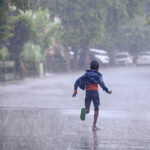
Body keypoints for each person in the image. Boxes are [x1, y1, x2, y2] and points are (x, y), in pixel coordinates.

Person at [72, 60, 112, 131]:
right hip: (95, 93)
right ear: (97, 68)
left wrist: (75, 90)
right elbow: (102, 84)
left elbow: (77, 81)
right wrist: (107, 91)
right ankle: (94, 126)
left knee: (87, 109)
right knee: (96, 108)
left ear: (90, 68)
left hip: (88, 93)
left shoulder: (86, 74)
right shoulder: (98, 75)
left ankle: (85, 110)